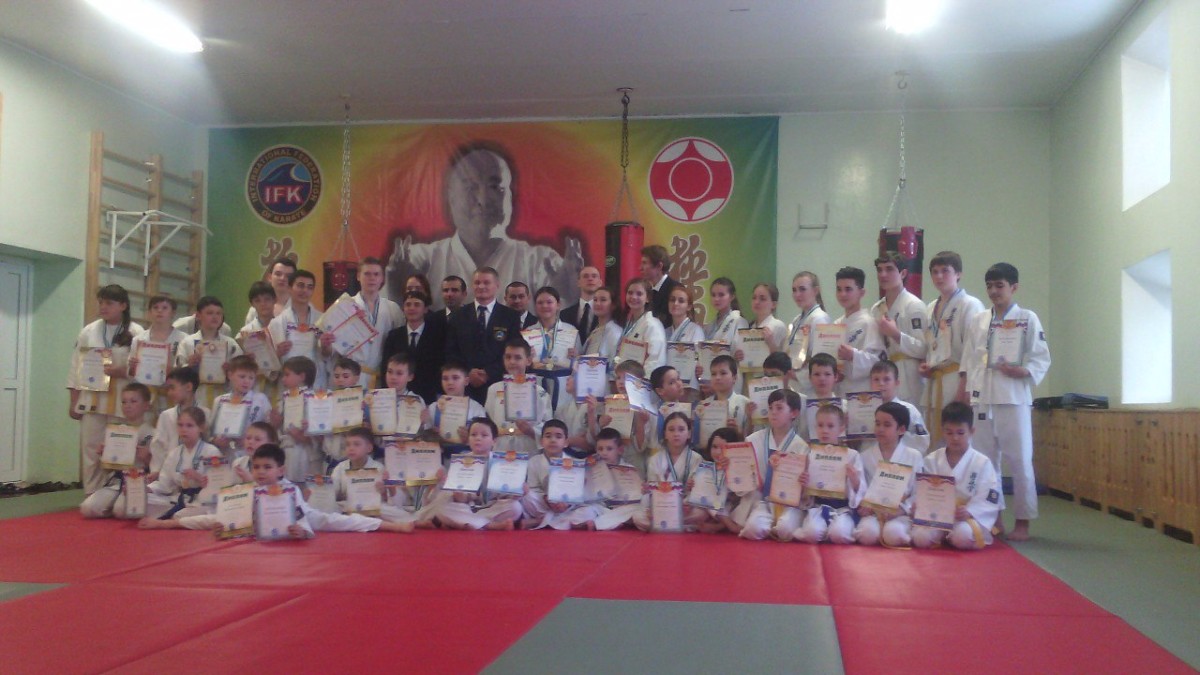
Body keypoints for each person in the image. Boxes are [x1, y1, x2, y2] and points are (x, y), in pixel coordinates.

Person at [385, 143, 585, 307]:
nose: (483, 199)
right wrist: (396, 292)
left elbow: (559, 326)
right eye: (471, 187)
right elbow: (388, 322)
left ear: (511, 196)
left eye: (495, 187)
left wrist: (569, 295)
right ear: (451, 199)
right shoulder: (420, 261)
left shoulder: (541, 262)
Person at [960, 262, 1050, 542]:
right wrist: (968, 393)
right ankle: (993, 517)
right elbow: (969, 360)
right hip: (982, 398)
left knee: (1020, 461)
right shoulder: (978, 320)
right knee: (986, 463)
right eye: (989, 286)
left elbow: (1041, 357)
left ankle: (1023, 522)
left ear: (1014, 287)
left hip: (1013, 397)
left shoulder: (1027, 318)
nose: (994, 291)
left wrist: (1024, 371)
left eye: (999, 285)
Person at [68, 284, 145, 494]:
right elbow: (75, 367)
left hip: (123, 401)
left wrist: (123, 372)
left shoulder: (137, 333)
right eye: (101, 302)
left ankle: (119, 492)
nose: (103, 307)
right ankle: (92, 493)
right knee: (91, 448)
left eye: (109, 303)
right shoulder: (89, 331)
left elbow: (143, 369)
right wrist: (73, 401)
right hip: (92, 399)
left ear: (123, 305)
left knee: (120, 447)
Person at [911, 402, 1001, 550]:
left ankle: (950, 537)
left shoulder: (981, 462)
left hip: (964, 518)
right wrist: (919, 505)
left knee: (962, 536)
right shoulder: (931, 460)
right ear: (942, 431)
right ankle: (944, 536)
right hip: (936, 515)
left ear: (971, 431)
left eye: (960, 433)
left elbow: (989, 495)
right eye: (949, 432)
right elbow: (920, 489)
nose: (955, 438)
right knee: (921, 538)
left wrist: (970, 511)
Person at [918, 251, 985, 442]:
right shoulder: (930, 307)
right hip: (935, 381)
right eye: (935, 272)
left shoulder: (970, 305)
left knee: (957, 440)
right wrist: (927, 364)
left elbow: (973, 353)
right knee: (935, 440)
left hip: (958, 381)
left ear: (958, 274)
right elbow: (932, 344)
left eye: (945, 271)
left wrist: (964, 389)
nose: (939, 276)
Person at [445, 267, 524, 403]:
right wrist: (468, 371)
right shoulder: (458, 316)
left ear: (497, 285)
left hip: (498, 383)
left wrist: (489, 372)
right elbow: (451, 351)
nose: (481, 286)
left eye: (486, 282)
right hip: (465, 384)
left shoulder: (510, 316)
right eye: (477, 282)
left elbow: (512, 352)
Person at [739, 389, 808, 541]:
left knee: (785, 530)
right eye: (770, 408)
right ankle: (770, 527)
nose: (773, 412)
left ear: (794, 413)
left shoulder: (801, 447)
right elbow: (743, 476)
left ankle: (778, 527)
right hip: (763, 500)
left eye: (779, 408)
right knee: (752, 530)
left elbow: (803, 488)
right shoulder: (752, 440)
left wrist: (804, 483)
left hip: (789, 504)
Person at [853, 402, 925, 547]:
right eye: (877, 423)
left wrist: (902, 509)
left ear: (901, 429)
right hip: (873, 512)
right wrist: (864, 504)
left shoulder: (914, 456)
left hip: (901, 512)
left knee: (894, 534)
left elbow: (919, 491)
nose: (880, 429)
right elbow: (862, 487)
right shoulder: (865, 456)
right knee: (866, 535)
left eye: (887, 425)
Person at [79, 383, 155, 518]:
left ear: (146, 406)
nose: (128, 405)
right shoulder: (115, 431)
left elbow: (159, 466)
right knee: (87, 508)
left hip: (138, 481)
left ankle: (120, 505)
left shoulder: (152, 433)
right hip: (117, 481)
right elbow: (108, 468)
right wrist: (104, 455)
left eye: (133, 401)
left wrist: (146, 458)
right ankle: (112, 506)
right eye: (124, 402)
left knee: (121, 511)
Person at [794, 405, 864, 544]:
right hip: (818, 507)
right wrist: (803, 484)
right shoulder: (810, 454)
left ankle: (833, 530)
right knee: (811, 534)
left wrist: (854, 480)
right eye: (820, 425)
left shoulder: (852, 455)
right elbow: (804, 496)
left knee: (839, 534)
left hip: (842, 508)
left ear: (841, 428)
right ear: (815, 427)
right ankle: (824, 530)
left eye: (830, 426)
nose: (825, 430)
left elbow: (860, 490)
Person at [438, 417, 524, 530]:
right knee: (441, 509)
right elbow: (461, 500)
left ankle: (466, 523)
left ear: (494, 440)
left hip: (493, 507)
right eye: (473, 435)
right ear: (468, 438)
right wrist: (457, 494)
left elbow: (506, 495)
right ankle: (490, 525)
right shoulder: (460, 461)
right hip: (467, 508)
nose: (478, 438)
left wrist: (518, 492)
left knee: (515, 507)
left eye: (484, 435)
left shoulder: (503, 462)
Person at [870, 253, 928, 405]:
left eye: (889, 269)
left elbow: (923, 349)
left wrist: (896, 334)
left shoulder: (914, 305)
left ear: (903, 273)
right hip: (884, 376)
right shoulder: (876, 309)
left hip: (909, 375)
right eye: (879, 270)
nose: (883, 274)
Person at [145, 407, 222, 520]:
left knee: (180, 515)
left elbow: (218, 486)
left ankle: (178, 516)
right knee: (144, 499)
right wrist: (145, 489)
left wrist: (198, 478)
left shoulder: (212, 452)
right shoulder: (174, 454)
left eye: (189, 426)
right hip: (180, 498)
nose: (184, 430)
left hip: (203, 501)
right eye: (180, 425)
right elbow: (164, 484)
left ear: (201, 428)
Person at [633, 412, 706, 531]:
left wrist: (685, 501)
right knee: (637, 516)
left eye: (681, 429)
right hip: (661, 504)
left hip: (685, 505)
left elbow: (696, 491)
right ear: (665, 434)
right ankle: (677, 523)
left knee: (700, 513)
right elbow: (652, 489)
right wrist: (648, 490)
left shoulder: (696, 458)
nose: (676, 434)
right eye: (671, 430)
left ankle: (663, 522)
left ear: (689, 434)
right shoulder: (655, 459)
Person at [338, 258, 403, 389]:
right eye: (367, 274)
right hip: (352, 376)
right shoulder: (345, 306)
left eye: (376, 274)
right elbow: (335, 346)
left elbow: (400, 345)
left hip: (382, 377)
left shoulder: (393, 309)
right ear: (358, 276)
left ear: (382, 278)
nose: (372, 278)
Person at [484, 338, 552, 455]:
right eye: (508, 357)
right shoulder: (493, 390)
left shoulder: (540, 392)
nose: (512, 362)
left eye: (518, 357)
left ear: (528, 360)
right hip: (500, 448)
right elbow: (488, 420)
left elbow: (548, 426)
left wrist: (531, 431)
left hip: (528, 448)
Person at [522, 420, 592, 529]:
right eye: (548, 436)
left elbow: (576, 494)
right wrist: (546, 499)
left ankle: (540, 521)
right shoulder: (534, 461)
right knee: (526, 493)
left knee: (588, 511)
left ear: (566, 442)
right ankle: (564, 522)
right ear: (541, 441)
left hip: (566, 507)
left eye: (558, 437)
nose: (553, 440)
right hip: (543, 504)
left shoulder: (574, 463)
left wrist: (566, 504)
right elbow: (534, 488)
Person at [176, 296, 243, 409]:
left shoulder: (231, 344)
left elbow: (242, 371)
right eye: (210, 313)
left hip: (224, 396)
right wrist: (189, 366)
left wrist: (231, 370)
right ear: (198, 316)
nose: (215, 317)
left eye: (218, 313)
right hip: (196, 396)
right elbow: (177, 374)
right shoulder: (187, 342)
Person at [380, 290, 446, 404]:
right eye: (408, 304)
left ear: (425, 309)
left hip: (428, 395)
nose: (412, 308)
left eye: (417, 304)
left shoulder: (438, 335)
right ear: (403, 308)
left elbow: (441, 366)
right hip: (397, 396)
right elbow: (385, 366)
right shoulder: (394, 335)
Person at [269, 268, 329, 391]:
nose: (305, 290)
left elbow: (328, 356)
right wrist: (277, 353)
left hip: (316, 381)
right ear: (289, 288)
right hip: (288, 383)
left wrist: (325, 346)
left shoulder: (323, 320)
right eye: (300, 285)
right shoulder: (276, 323)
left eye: (309, 287)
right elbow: (270, 363)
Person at [127, 293, 188, 414]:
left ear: (173, 313)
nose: (159, 311)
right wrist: (132, 367)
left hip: (173, 396)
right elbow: (131, 374)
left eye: (164, 308)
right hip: (146, 395)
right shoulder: (138, 340)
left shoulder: (184, 339)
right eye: (155, 307)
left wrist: (175, 371)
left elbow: (187, 371)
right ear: (149, 312)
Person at [833, 267, 884, 396]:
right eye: (839, 289)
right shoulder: (835, 325)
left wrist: (853, 355)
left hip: (862, 391)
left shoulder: (869, 322)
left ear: (861, 292)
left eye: (848, 289)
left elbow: (877, 362)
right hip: (839, 389)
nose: (843, 294)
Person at [149, 367, 207, 480]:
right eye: (168, 389)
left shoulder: (206, 413)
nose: (169, 393)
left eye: (172, 388)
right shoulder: (166, 415)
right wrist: (157, 471)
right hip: (169, 474)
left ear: (188, 387)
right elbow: (158, 446)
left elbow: (207, 441)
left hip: (197, 474)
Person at [209, 355, 272, 457]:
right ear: (230, 375)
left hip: (251, 454)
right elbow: (210, 431)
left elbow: (269, 429)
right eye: (242, 376)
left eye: (251, 378)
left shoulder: (260, 399)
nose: (246, 381)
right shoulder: (220, 400)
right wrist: (216, 440)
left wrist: (252, 438)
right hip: (224, 453)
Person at [786, 271, 832, 397]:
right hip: (794, 383)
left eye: (802, 289)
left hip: (809, 388)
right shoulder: (796, 320)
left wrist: (798, 376)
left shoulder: (820, 319)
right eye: (794, 290)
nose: (797, 294)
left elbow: (821, 359)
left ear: (815, 291)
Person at [274, 356, 319, 482]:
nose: (283, 379)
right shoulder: (283, 399)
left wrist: (306, 434)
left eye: (287, 375)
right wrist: (275, 423)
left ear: (302, 376)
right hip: (286, 449)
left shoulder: (316, 400)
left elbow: (321, 433)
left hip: (307, 451)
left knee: (306, 486)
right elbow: (277, 429)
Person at [869, 360, 930, 452]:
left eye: (886, 379)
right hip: (870, 458)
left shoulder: (909, 410)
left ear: (896, 383)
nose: (881, 383)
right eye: (876, 379)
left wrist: (895, 433)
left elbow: (923, 441)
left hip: (901, 459)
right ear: (870, 383)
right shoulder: (862, 410)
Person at [423, 362, 487, 444]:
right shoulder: (433, 407)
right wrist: (430, 434)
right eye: (445, 379)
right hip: (438, 451)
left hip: (467, 451)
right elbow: (423, 437)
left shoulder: (477, 409)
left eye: (455, 378)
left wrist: (470, 438)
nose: (450, 382)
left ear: (466, 381)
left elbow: (484, 441)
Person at [619, 278, 667, 373]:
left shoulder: (652, 325)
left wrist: (641, 380)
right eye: (630, 293)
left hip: (641, 379)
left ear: (647, 298)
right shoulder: (628, 323)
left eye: (639, 294)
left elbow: (655, 360)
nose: (633, 297)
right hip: (626, 376)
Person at [580, 286, 623, 389]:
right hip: (591, 383)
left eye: (603, 300)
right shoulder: (597, 329)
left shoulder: (614, 332)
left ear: (613, 305)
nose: (598, 303)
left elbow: (615, 363)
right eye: (595, 300)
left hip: (604, 387)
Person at [664, 285, 705, 393]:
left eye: (681, 301)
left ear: (689, 306)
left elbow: (698, 360)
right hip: (668, 387)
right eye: (672, 300)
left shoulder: (696, 330)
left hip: (688, 387)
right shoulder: (664, 332)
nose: (675, 303)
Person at [703, 356, 752, 438]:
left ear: (734, 378)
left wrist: (738, 432)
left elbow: (753, 438)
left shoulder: (745, 403)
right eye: (713, 374)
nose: (717, 377)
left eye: (723, 373)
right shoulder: (704, 405)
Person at [241, 257, 296, 326]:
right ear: (269, 277)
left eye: (288, 276)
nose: (282, 278)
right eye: (278, 274)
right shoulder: (255, 309)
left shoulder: (303, 309)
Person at [641, 244, 681, 325]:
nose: (640, 268)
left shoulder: (675, 289)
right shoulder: (647, 290)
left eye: (644, 263)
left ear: (659, 266)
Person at [560, 265, 603, 335]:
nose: (590, 279)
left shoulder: (608, 314)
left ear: (600, 283)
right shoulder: (564, 315)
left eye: (594, 276)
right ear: (578, 282)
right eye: (585, 276)